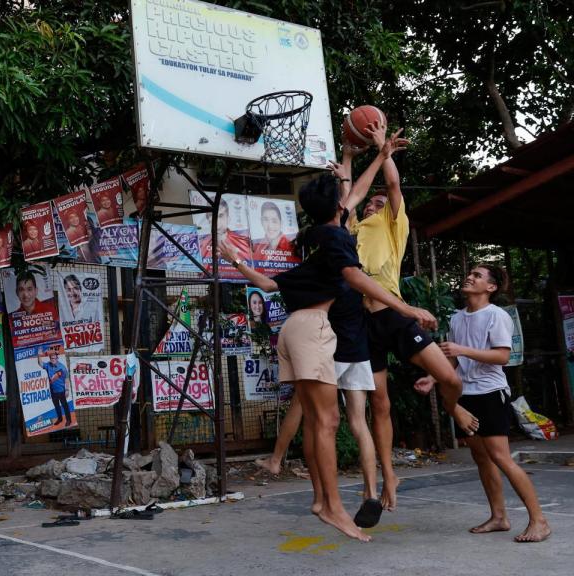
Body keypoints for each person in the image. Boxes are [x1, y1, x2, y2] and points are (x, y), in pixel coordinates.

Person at [220, 173, 441, 542]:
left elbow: (269, 284)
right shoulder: (337, 240)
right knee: (327, 421)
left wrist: (236, 260)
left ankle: (321, 500)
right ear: (339, 208)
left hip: (294, 330)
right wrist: (405, 307)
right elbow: (355, 276)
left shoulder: (319, 250)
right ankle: (334, 508)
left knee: (314, 421)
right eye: (346, 198)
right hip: (312, 332)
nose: (352, 199)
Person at [336, 119, 473, 512]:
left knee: (447, 376)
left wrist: (384, 148)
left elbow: (392, 187)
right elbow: (348, 196)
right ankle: (387, 475)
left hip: (394, 315)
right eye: (372, 203)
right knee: (380, 405)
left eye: (380, 204)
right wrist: (347, 157)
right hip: (364, 325)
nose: (375, 205)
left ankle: (452, 407)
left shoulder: (394, 225)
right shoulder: (356, 229)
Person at [414, 265, 551, 543]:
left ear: (491, 287)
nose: (470, 277)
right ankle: (499, 517)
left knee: (500, 457)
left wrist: (461, 349)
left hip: (490, 393)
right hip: (465, 395)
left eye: (477, 275)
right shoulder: (457, 318)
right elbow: (453, 359)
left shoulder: (496, 315)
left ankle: (540, 520)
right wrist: (431, 377)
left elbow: (502, 356)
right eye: (470, 273)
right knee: (481, 458)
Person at [38, 346, 71, 426]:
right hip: (53, 391)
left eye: (54, 358)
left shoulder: (62, 367)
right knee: (56, 406)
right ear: (50, 359)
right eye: (52, 358)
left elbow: (66, 379)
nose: (53, 359)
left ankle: (68, 420)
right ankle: (60, 419)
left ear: (57, 358)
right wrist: (39, 355)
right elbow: (40, 363)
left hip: (61, 391)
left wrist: (67, 390)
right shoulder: (48, 365)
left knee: (65, 406)